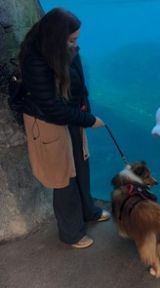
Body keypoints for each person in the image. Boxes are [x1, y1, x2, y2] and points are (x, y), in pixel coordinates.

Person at [19, 8, 110, 249]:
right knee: (64, 177)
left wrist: (85, 111)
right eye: (71, 40)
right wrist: (90, 121)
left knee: (81, 163)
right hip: (49, 122)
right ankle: (71, 233)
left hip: (72, 116)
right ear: (55, 36)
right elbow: (51, 107)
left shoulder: (63, 49)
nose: (75, 44)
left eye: (76, 39)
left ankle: (88, 210)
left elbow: (78, 84)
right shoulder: (34, 60)